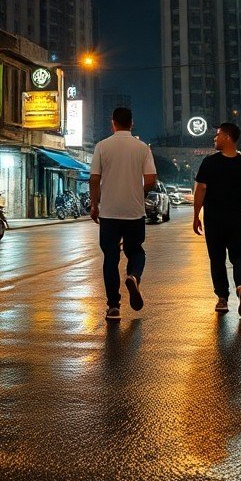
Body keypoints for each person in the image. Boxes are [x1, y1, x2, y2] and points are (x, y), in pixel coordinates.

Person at [89, 107, 157, 321]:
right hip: (134, 212)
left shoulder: (102, 146)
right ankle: (133, 276)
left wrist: (94, 205)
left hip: (109, 213)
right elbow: (150, 179)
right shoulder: (142, 148)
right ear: (132, 123)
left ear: (113, 123)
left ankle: (113, 307)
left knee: (110, 257)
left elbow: (93, 179)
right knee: (136, 251)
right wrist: (140, 192)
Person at [192, 122, 241, 316]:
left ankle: (222, 298)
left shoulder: (209, 162)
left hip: (214, 220)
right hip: (238, 219)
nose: (215, 138)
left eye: (218, 134)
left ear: (228, 137)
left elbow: (201, 189)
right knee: (239, 256)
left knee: (217, 259)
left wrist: (196, 215)